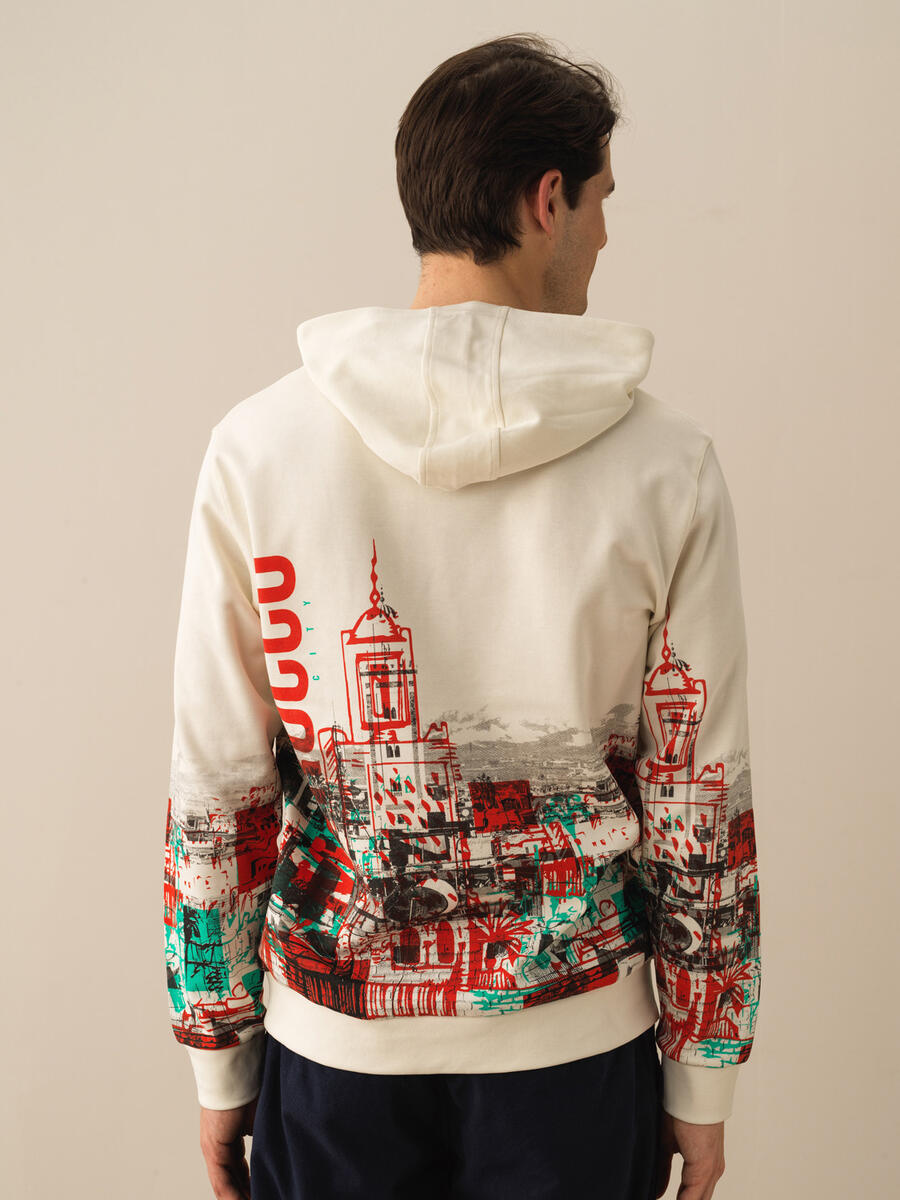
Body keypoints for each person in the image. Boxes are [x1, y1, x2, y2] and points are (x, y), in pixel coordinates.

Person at [163, 31, 761, 1200]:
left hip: (331, 1051)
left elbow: (218, 786)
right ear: (548, 199)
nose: (605, 235)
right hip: (576, 1054)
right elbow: (701, 798)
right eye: (602, 201)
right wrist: (702, 1079)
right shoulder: (667, 465)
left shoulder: (259, 449)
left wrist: (217, 1056)